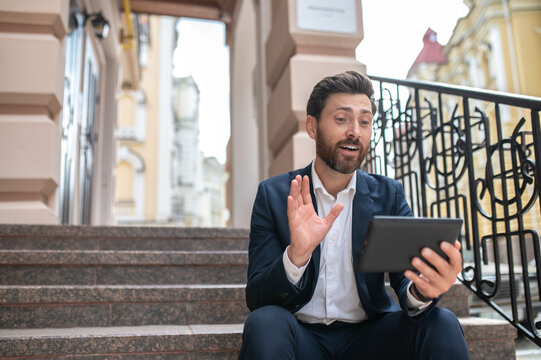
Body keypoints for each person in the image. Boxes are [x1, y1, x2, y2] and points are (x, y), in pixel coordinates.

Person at [238, 71, 470, 360]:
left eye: (365, 122)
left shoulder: (389, 195)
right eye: (341, 119)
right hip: (300, 338)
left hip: (371, 339)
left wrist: (423, 291)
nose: (355, 132)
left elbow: (406, 282)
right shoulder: (274, 195)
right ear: (312, 127)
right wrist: (296, 256)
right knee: (265, 323)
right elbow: (257, 298)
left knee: (442, 321)